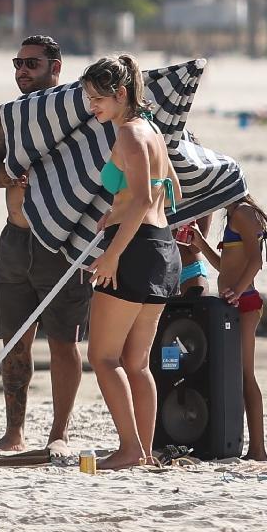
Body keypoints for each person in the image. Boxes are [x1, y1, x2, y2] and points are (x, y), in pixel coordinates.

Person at [0, 34, 88, 458]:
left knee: (64, 340)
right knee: (14, 341)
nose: (23, 71)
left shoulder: (80, 116)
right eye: (18, 63)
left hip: (60, 243)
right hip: (15, 238)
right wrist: (10, 175)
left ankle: (59, 433)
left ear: (55, 68)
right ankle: (13, 431)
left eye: (32, 64)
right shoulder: (7, 116)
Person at [82, 54, 180, 472]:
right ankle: (142, 451)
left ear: (120, 94)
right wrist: (117, 210)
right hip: (161, 248)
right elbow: (170, 187)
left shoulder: (128, 134)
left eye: (97, 99)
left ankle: (128, 449)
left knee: (102, 357)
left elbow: (140, 198)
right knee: (137, 362)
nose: (92, 107)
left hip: (134, 250)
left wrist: (112, 253)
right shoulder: (153, 132)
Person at [214, 196, 267, 461]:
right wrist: (200, 244)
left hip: (245, 303)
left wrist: (236, 292)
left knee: (246, 376)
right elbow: (225, 267)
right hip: (235, 301)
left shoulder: (243, 212)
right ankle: (248, 445)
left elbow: (256, 261)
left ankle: (258, 449)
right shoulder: (234, 213)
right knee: (237, 377)